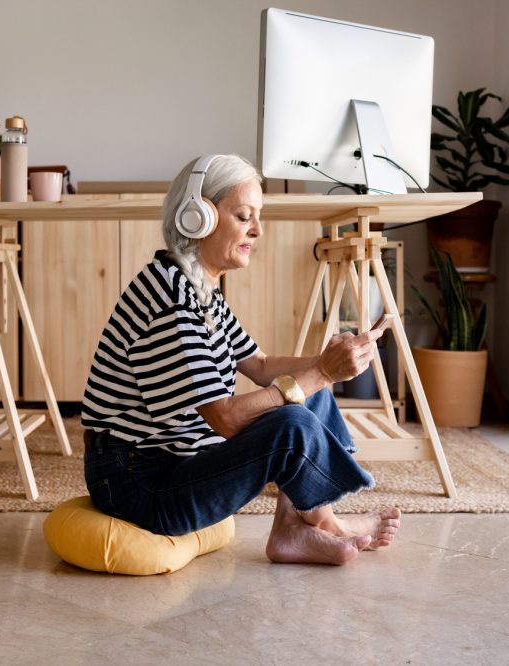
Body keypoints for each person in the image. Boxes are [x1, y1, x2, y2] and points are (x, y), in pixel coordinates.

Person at [80, 154, 400, 565]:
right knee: (295, 415)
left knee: (311, 394)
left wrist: (329, 361)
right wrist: (321, 371)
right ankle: (327, 525)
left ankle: (292, 528)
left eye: (257, 217)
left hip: (171, 465)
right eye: (244, 215)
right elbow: (226, 418)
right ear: (199, 216)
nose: (257, 230)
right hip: (136, 483)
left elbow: (262, 366)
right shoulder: (171, 298)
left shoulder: (200, 289)